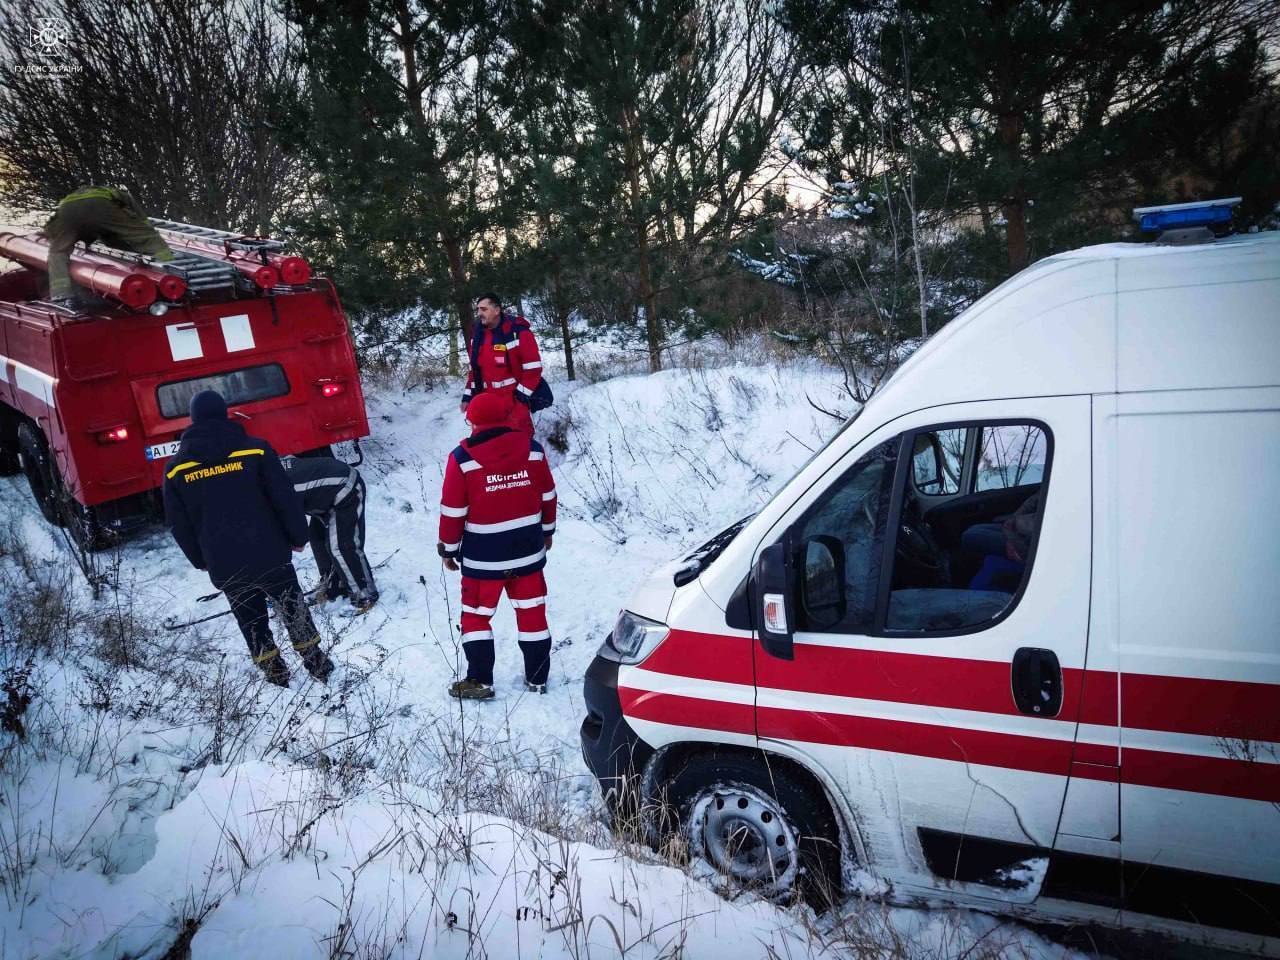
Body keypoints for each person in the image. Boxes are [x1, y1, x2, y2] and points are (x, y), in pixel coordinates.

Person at [163, 390, 334, 687]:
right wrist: (297, 535)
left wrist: (201, 560)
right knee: (292, 605)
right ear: (224, 415)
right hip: (269, 553)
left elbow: (179, 525)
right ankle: (315, 662)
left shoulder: (176, 469)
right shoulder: (255, 451)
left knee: (249, 617)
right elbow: (283, 498)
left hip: (224, 562)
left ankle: (274, 671)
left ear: (192, 420)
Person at [438, 391, 558, 699]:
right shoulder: (532, 450)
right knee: (532, 614)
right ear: (507, 416)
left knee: (476, 617)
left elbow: (453, 511)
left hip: (483, 560)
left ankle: (480, 681)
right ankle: (537, 679)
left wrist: (448, 550)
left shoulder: (461, 458)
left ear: (471, 421)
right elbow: (547, 496)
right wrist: (547, 533)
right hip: (528, 553)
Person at [43, 186, 175, 304]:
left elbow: (50, 229)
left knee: (58, 252)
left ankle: (61, 294)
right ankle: (170, 270)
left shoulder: (68, 200)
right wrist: (144, 227)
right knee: (148, 238)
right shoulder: (111, 192)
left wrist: (61, 239)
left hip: (68, 213)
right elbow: (136, 213)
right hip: (100, 206)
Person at [280, 454, 379, 613]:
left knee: (341, 546)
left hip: (346, 488)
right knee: (317, 540)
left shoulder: (278, 488)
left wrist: (295, 541)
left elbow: (294, 520)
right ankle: (334, 586)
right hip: (323, 495)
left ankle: (365, 594)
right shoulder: (269, 473)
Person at [460, 293, 545, 435]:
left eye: (484, 309)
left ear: (497, 310)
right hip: (485, 402)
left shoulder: (518, 332)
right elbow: (474, 370)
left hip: (512, 403)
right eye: (478, 310)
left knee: (519, 443)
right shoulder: (477, 335)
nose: (479, 313)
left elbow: (533, 369)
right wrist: (468, 396)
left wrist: (520, 399)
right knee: (487, 446)